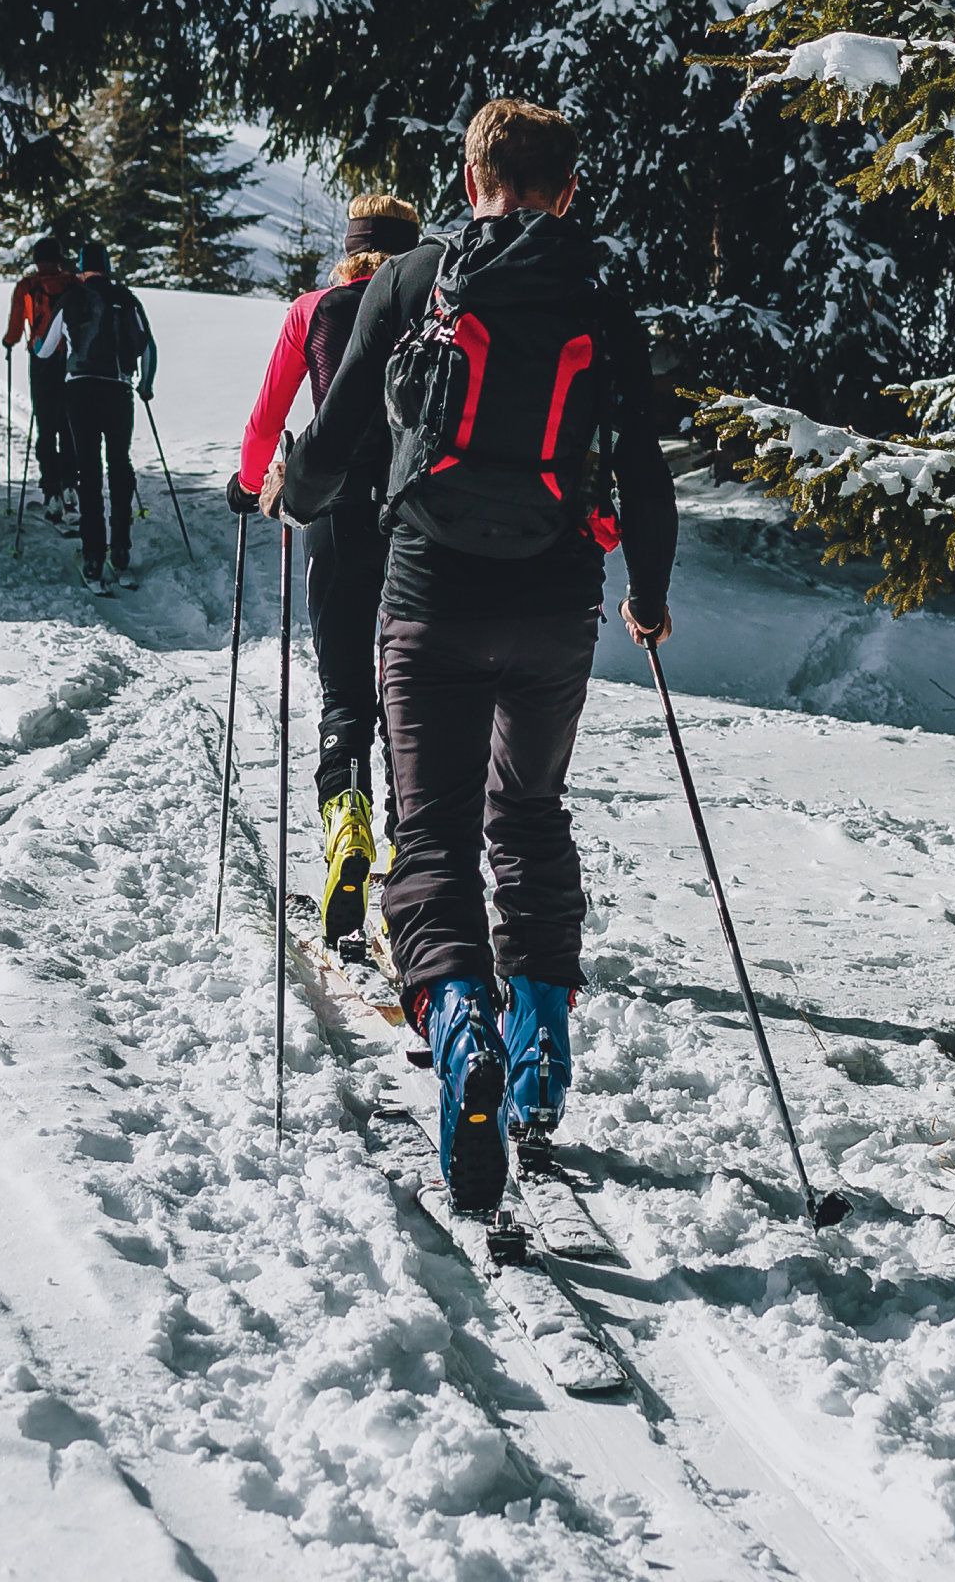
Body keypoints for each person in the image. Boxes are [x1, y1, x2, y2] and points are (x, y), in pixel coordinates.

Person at [276, 101, 674, 1220]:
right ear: (568, 187)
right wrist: (646, 594)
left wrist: (287, 494)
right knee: (530, 814)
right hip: (553, 605)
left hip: (427, 597)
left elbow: (342, 430)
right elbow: (641, 472)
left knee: (433, 830)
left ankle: (461, 1035)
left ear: (470, 176)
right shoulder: (603, 299)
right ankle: (538, 1047)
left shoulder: (414, 281)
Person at [228, 193, 422, 947]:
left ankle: (348, 825)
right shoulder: (436, 305)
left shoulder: (312, 310)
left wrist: (251, 485)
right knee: (413, 686)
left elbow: (267, 417)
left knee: (346, 690)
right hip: (418, 519)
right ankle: (411, 849)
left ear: (348, 246)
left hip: (336, 512)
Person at [34, 238, 157, 594]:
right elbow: (149, 348)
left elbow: (43, 350)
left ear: (82, 267)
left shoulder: (71, 298)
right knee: (119, 464)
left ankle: (92, 554)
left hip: (80, 390)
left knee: (88, 471)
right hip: (118, 390)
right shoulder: (127, 298)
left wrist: (41, 348)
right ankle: (120, 551)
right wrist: (145, 386)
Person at [2, 235, 79, 522]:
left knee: (46, 426)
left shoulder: (27, 285)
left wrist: (8, 342)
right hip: (70, 361)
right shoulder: (73, 283)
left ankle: (52, 492)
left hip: (41, 360)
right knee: (69, 424)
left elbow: (15, 324)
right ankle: (72, 484)